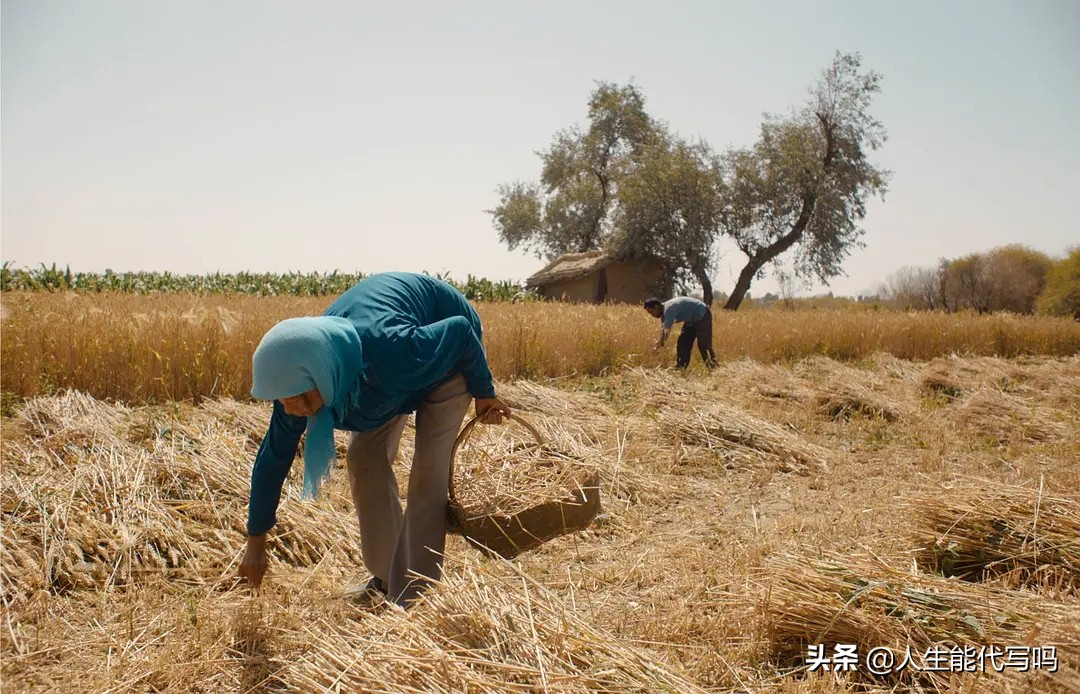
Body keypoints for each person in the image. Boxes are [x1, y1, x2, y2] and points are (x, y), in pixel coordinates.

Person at [238, 272, 511, 608]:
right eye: (281, 399)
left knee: (428, 471)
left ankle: (415, 596)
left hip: (448, 356)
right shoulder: (301, 383)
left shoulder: (391, 350)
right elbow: (272, 460)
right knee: (363, 458)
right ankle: (387, 579)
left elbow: (459, 332)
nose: (291, 408)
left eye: (295, 396)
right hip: (379, 381)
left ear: (320, 372)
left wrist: (485, 392)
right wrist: (255, 544)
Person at [643, 296, 717, 369]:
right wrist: (660, 343)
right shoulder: (663, 313)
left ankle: (713, 367)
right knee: (683, 343)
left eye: (651, 312)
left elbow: (666, 331)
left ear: (656, 307)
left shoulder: (669, 309)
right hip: (691, 321)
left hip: (702, 314)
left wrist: (658, 346)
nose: (652, 315)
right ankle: (681, 368)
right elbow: (663, 330)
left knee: (704, 345)